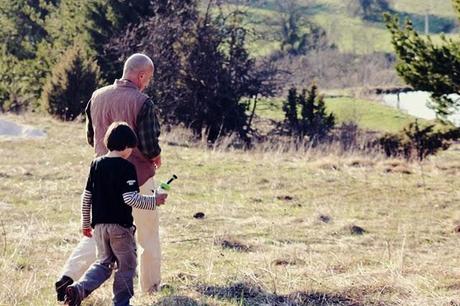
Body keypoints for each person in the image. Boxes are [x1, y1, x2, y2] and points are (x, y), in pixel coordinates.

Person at [56, 53, 163, 301]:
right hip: (138, 176)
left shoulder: (97, 96)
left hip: (101, 177)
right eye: (148, 78)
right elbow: (148, 145)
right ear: (141, 75)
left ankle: (69, 277)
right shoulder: (143, 101)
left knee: (98, 233)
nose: (147, 83)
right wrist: (156, 156)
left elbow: (90, 137)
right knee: (147, 235)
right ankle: (151, 287)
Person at [64, 122, 167, 306]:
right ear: (126, 146)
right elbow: (130, 199)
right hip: (120, 228)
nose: (131, 152)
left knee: (103, 264)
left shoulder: (96, 164)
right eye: (131, 148)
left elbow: (86, 197)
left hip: (100, 228)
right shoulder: (126, 167)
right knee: (126, 268)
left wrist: (85, 223)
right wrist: (154, 201)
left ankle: (79, 289)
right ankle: (121, 303)